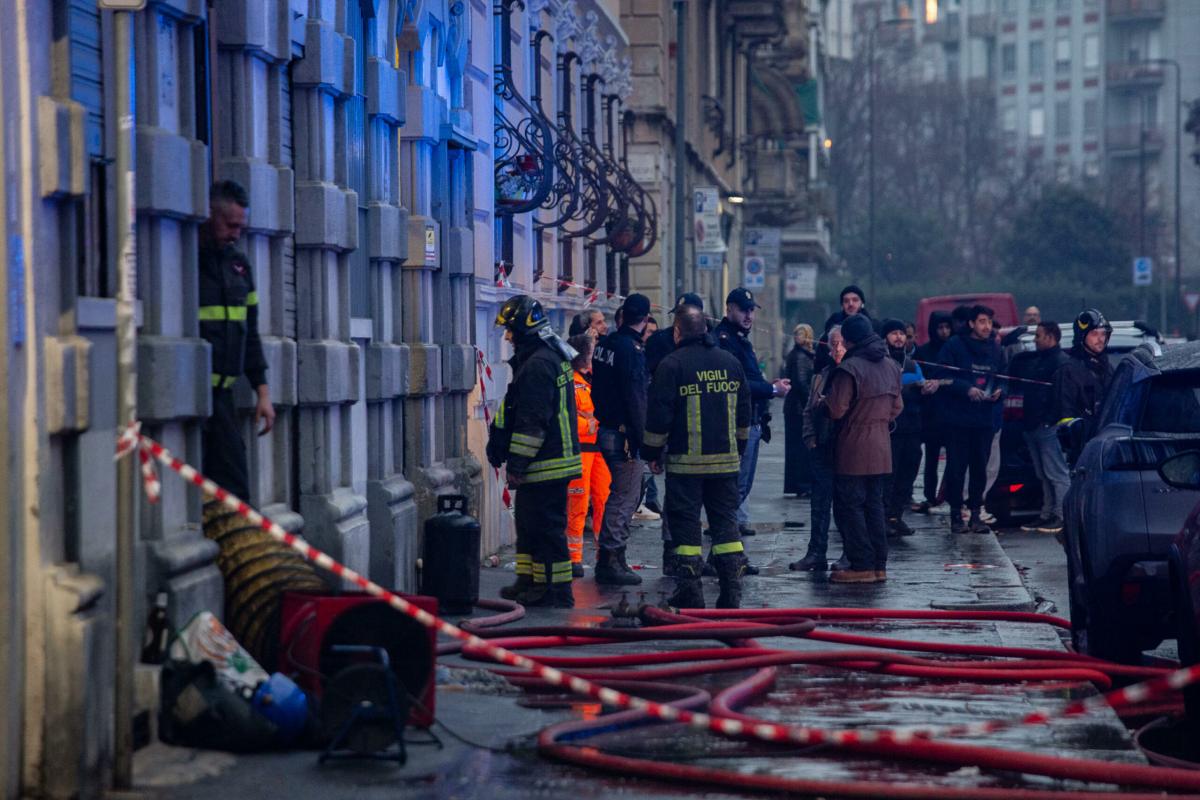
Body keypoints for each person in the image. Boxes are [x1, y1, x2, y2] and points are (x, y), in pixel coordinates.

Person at [642, 306, 751, 608]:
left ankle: (691, 594)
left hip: (685, 467)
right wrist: (739, 449)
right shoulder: (730, 362)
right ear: (705, 329)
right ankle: (731, 593)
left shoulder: (672, 365)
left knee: (687, 531)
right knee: (726, 528)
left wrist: (651, 453)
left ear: (677, 331)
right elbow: (745, 413)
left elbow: (659, 415)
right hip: (726, 466)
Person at [486, 295, 583, 607]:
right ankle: (529, 581)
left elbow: (532, 423)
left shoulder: (539, 365)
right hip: (545, 461)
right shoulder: (539, 358)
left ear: (525, 328)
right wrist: (498, 440)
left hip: (546, 463)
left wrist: (516, 464)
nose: (508, 337)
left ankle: (555, 590)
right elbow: (514, 408)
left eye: (511, 330)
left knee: (547, 530)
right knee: (528, 525)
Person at [199, 180, 274, 502]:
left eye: (240, 227)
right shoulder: (188, 260)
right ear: (209, 215)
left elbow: (250, 332)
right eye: (230, 225)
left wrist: (263, 392)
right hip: (195, 395)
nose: (235, 234)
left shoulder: (239, 267)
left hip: (224, 397)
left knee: (234, 489)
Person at [824, 314, 902, 583]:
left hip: (853, 447)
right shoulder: (891, 365)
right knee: (876, 506)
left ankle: (861, 565)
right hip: (882, 446)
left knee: (851, 507)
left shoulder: (850, 368)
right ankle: (879, 565)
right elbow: (897, 407)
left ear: (848, 339)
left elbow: (837, 409)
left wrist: (822, 402)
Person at [716, 288, 791, 538]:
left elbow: (749, 378)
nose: (749, 315)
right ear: (729, 309)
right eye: (743, 310)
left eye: (751, 310)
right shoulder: (725, 340)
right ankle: (727, 546)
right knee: (735, 488)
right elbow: (737, 384)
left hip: (751, 420)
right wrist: (771, 389)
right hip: (739, 422)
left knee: (742, 487)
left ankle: (731, 539)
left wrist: (770, 385)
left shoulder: (740, 339)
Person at [591, 293, 653, 585]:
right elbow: (636, 397)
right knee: (625, 496)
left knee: (621, 492)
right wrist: (646, 440)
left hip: (606, 428)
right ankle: (611, 559)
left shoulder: (605, 345)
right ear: (645, 317)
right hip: (625, 435)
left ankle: (612, 557)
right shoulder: (632, 349)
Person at [938, 305, 1004, 534]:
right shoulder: (954, 346)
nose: (986, 327)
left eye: (989, 322)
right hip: (958, 420)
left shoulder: (996, 349)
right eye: (982, 321)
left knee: (980, 468)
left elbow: (1004, 377)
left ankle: (976, 512)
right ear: (971, 323)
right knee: (956, 468)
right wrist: (965, 389)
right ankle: (956, 514)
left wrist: (999, 392)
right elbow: (942, 376)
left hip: (984, 420)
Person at [789, 326, 846, 572]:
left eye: (841, 344)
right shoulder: (821, 375)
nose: (836, 349)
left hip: (846, 450)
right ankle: (816, 553)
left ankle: (849, 554)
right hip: (821, 447)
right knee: (819, 504)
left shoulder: (853, 373)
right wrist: (810, 438)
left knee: (846, 506)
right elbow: (808, 410)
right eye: (832, 344)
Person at [1013, 321, 1070, 533]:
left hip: (1048, 426)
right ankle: (1047, 513)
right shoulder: (1039, 360)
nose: (1035, 340)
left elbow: (1061, 397)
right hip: (1034, 425)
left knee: (1056, 473)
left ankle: (1061, 515)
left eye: (1038, 335)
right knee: (1043, 474)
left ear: (1051, 337)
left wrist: (1049, 419)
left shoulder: (1060, 363)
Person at [564, 334, 611, 576]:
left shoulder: (595, 380)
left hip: (600, 452)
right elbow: (571, 419)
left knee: (605, 501)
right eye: (592, 352)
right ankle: (573, 558)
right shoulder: (569, 382)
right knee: (578, 503)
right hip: (581, 452)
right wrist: (592, 424)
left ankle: (607, 555)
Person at [881, 319, 926, 537]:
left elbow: (921, 386)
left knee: (908, 474)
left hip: (913, 427)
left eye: (902, 333)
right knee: (889, 475)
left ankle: (896, 516)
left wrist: (927, 387)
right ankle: (883, 517)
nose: (899, 337)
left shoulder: (913, 365)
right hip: (891, 429)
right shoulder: (880, 362)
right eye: (894, 333)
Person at [1052, 309, 1113, 462]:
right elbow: (1065, 415)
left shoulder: (1107, 367)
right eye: (1094, 334)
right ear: (1082, 336)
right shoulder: (1068, 370)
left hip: (1109, 444)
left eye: (1103, 334)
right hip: (1083, 450)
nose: (1100, 339)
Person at [912, 311, 952, 513]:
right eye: (940, 327)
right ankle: (929, 495)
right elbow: (916, 376)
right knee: (931, 457)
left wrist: (941, 383)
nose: (944, 332)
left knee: (954, 458)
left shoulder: (954, 350)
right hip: (930, 412)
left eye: (947, 327)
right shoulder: (924, 351)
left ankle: (946, 495)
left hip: (951, 411)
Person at [783, 324, 816, 497]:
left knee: (799, 448)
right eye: (796, 334)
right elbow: (801, 383)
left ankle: (800, 484)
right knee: (800, 448)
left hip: (796, 406)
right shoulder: (799, 356)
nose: (797, 337)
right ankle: (802, 485)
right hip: (798, 408)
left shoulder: (803, 355)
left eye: (801, 334)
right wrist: (811, 404)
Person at [635, 317, 663, 520]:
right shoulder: (637, 355)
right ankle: (645, 500)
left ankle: (650, 498)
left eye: (655, 332)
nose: (651, 336)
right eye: (649, 331)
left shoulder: (655, 356)